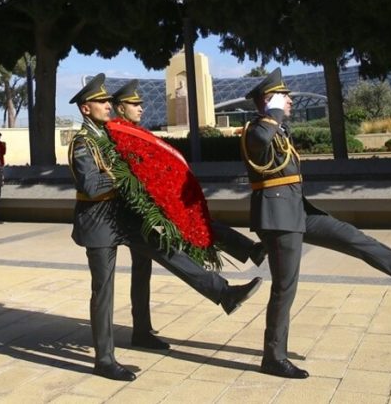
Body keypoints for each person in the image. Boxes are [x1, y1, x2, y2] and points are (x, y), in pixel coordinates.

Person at [242, 69, 391, 379]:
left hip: (297, 211)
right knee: (284, 288)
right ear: (269, 100)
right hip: (277, 218)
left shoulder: (277, 128)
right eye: (283, 96)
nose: (289, 100)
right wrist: (274, 111)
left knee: (354, 238)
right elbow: (261, 142)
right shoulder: (256, 130)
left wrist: (275, 113)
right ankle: (273, 357)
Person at [70, 74, 261, 381]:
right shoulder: (84, 142)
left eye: (108, 101)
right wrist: (131, 178)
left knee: (167, 249)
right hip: (98, 221)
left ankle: (223, 293)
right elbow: (91, 186)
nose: (108, 106)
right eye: (102, 102)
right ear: (85, 109)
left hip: (124, 216)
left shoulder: (110, 134)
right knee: (103, 290)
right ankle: (104, 360)